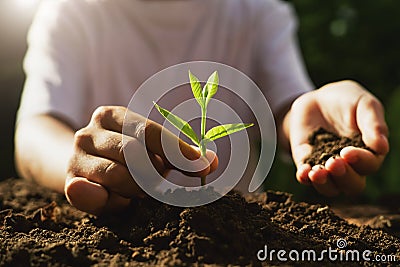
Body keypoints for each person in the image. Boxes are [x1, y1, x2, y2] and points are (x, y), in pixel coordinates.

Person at [15, 0, 389, 215]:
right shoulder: (72, 14)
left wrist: (311, 120)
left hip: (234, 233)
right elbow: (35, 129)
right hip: (121, 226)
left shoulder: (256, 13)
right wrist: (79, 158)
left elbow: (287, 108)